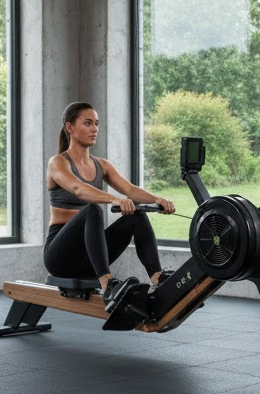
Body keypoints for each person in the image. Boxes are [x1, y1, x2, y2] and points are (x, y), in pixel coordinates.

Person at [44, 102, 176, 311]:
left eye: (96, 124)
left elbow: (130, 189)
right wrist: (114, 200)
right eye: (88, 123)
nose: (94, 129)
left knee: (137, 214)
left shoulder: (102, 165)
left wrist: (157, 199)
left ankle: (158, 278)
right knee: (92, 210)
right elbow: (78, 189)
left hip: (90, 258)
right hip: (60, 257)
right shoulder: (58, 162)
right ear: (70, 127)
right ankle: (108, 285)